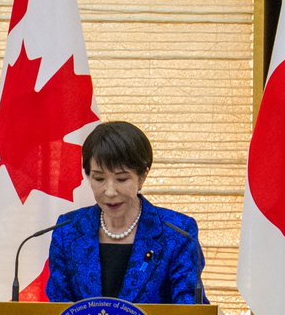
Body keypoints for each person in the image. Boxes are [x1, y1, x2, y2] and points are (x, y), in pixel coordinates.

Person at [46, 121, 204, 305]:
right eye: (99, 178)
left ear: (142, 177)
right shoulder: (68, 230)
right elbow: (58, 308)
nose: (110, 191)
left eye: (121, 179)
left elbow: (190, 311)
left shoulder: (178, 232)